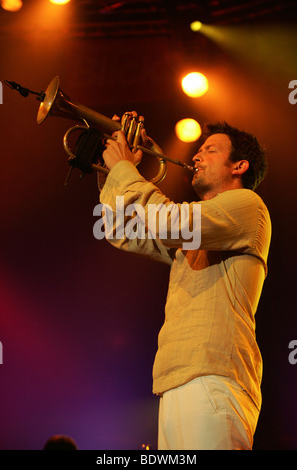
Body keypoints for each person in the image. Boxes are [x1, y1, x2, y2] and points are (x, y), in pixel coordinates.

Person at [100, 113, 271, 450]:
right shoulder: (196, 235)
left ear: (239, 166)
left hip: (214, 377)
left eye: (210, 150)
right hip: (178, 378)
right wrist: (115, 170)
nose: (196, 156)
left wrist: (125, 170)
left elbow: (167, 222)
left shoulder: (247, 205)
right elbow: (120, 232)